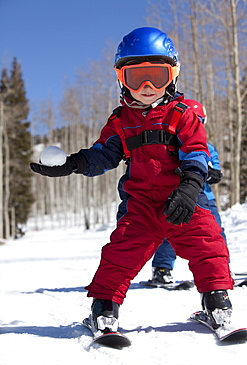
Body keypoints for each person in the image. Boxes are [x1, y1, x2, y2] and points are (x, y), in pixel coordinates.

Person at [31, 27, 234, 335]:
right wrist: (72, 164)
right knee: (120, 254)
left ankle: (217, 303)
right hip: (140, 207)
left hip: (183, 202)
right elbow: (103, 155)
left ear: (173, 75)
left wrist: (191, 187)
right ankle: (104, 309)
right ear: (121, 79)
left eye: (157, 75)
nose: (148, 86)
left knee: (208, 242)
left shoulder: (183, 115)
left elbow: (196, 152)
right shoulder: (120, 121)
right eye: (137, 78)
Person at [151, 99, 227, 285]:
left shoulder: (210, 148)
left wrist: (208, 172)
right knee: (170, 230)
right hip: (177, 195)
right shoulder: (169, 143)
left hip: (204, 198)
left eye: (199, 121)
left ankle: (221, 269)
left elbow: (216, 171)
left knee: (215, 232)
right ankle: (162, 268)